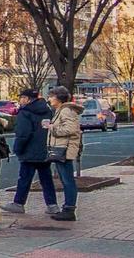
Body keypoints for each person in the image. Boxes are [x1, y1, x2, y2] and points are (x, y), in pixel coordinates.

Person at [10, 87, 61, 215]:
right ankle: (52, 205)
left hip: (29, 150)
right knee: (46, 178)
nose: (20, 100)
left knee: (24, 178)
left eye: (21, 97)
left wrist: (17, 149)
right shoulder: (47, 110)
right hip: (44, 149)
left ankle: (18, 203)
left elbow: (23, 133)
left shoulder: (25, 112)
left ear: (26, 99)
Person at [46, 86, 84, 221]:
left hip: (65, 150)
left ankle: (69, 209)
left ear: (58, 98)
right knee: (65, 179)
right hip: (61, 149)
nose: (49, 99)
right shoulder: (61, 110)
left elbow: (70, 129)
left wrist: (52, 128)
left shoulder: (66, 111)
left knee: (68, 180)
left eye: (51, 96)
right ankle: (67, 208)